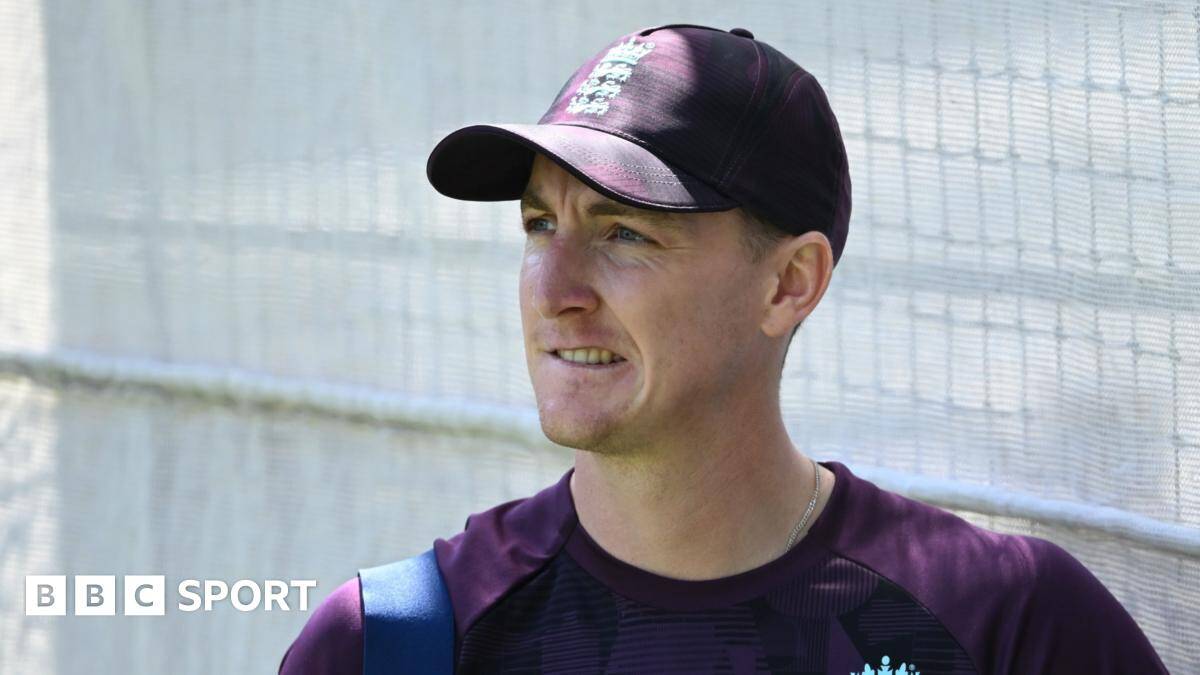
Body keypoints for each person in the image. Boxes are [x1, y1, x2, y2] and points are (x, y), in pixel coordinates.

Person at [279, 24, 1168, 674]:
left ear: (788, 284)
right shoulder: (391, 643)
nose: (554, 290)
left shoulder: (1004, 623)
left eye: (624, 233)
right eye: (540, 224)